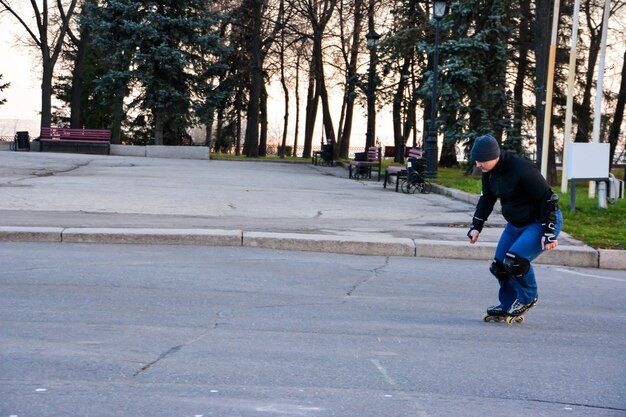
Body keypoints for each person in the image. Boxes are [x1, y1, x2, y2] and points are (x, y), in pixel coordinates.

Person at [466, 135, 563, 319]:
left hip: (540, 221)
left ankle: (528, 298)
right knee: (500, 265)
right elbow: (487, 199)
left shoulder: (522, 170)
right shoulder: (489, 173)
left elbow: (548, 199)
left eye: (482, 161)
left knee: (515, 261)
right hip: (516, 223)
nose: (478, 165)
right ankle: (507, 304)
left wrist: (549, 232)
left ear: (494, 156)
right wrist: (476, 226)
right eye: (476, 160)